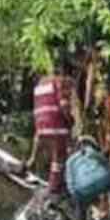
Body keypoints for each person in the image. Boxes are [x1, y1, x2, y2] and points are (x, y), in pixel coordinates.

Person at [27, 57, 76, 194]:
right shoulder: (61, 82)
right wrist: (70, 120)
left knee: (54, 155)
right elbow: (64, 105)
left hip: (40, 125)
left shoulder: (40, 84)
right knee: (59, 156)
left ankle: (31, 165)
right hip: (55, 124)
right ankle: (54, 188)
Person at [64, 135, 110, 220]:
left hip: (84, 188)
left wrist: (76, 196)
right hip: (104, 181)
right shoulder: (93, 152)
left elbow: (70, 183)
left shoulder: (70, 160)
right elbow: (106, 165)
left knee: (79, 205)